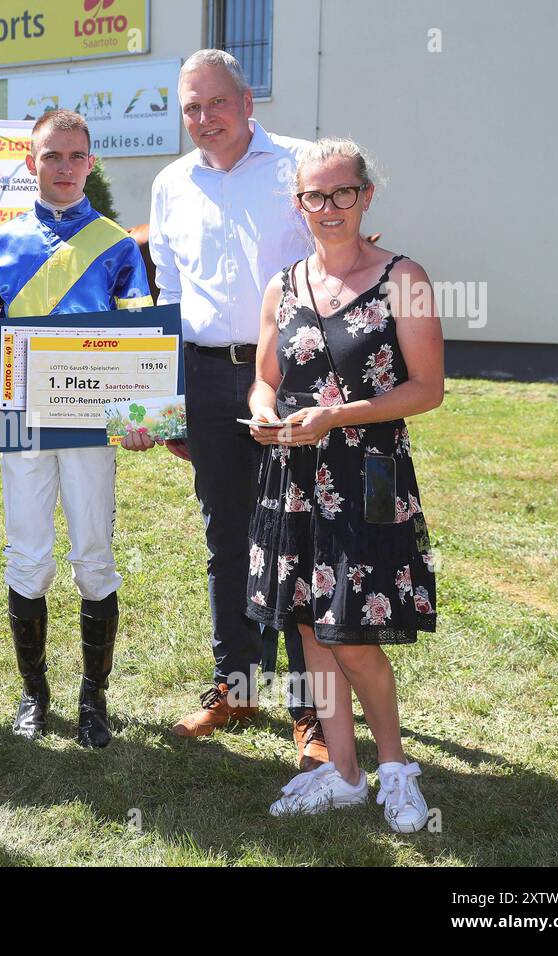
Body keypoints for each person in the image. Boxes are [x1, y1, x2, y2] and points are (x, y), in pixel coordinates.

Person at [129, 49, 326, 768]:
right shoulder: (169, 183)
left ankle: (312, 714)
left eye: (215, 103)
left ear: (247, 101)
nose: (204, 119)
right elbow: (169, 299)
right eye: (190, 108)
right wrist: (162, 408)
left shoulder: (303, 166)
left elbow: (335, 273)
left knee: (301, 543)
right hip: (208, 380)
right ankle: (237, 688)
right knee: (228, 541)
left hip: (294, 377)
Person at [248, 138, 442, 831]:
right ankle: (344, 771)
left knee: (354, 632)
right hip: (293, 475)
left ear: (366, 195)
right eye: (313, 196)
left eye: (342, 193)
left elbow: (427, 390)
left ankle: (394, 769)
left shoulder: (403, 277)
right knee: (308, 625)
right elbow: (267, 376)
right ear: (297, 203)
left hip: (370, 477)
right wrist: (266, 411)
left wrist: (339, 415)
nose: (328, 208)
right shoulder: (283, 284)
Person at [0, 109, 153, 748]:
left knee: (94, 555)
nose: (64, 168)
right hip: (20, 417)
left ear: (90, 163)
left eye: (76, 156)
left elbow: (139, 340)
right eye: (52, 156)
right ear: (31, 163)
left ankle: (93, 698)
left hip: (94, 427)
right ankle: (34, 693)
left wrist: (141, 415)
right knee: (27, 554)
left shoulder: (119, 246)